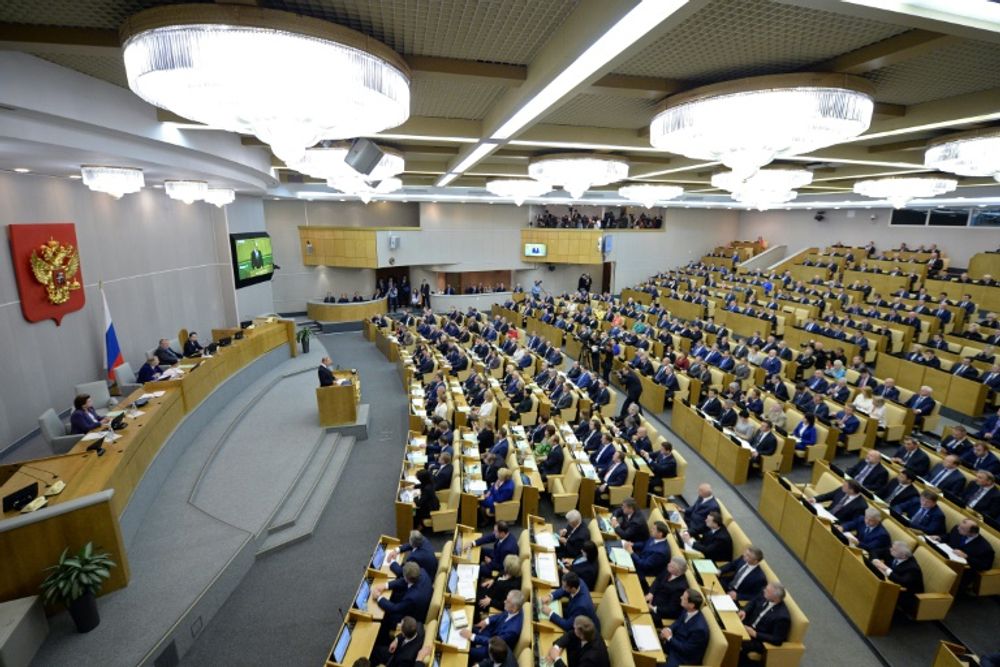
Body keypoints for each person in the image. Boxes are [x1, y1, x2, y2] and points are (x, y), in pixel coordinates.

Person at [461, 590, 524, 663]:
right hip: (493, 632)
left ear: (514, 608)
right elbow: (500, 615)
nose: (504, 602)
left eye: (507, 601)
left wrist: (472, 636)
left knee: (468, 651)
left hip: (494, 649)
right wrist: (486, 621)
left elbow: (494, 643)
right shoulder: (514, 608)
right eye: (506, 599)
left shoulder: (512, 631)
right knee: (469, 628)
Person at [739, 583, 791, 662]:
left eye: (767, 591)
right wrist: (744, 611)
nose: (764, 591)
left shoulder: (782, 617)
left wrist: (755, 634)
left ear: (775, 597)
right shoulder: (764, 595)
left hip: (759, 640)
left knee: (735, 642)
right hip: (748, 625)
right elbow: (753, 602)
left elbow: (777, 639)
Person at [373, 563, 432, 632]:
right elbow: (403, 581)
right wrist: (386, 585)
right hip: (421, 599)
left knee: (387, 616)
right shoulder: (422, 571)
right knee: (395, 594)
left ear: (406, 578)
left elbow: (394, 608)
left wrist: (379, 598)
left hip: (414, 617)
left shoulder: (411, 598)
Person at [661, 589, 709, 667]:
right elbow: (677, 622)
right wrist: (669, 629)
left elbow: (686, 649)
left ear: (692, 605)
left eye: (683, 598)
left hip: (683, 658)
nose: (680, 597)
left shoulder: (700, 629)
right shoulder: (687, 610)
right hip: (675, 644)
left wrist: (669, 637)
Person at [872, 541, 923, 610]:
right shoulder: (893, 551)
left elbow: (901, 581)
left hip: (906, 595)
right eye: (892, 547)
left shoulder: (913, 568)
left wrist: (886, 568)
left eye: (894, 550)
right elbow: (875, 551)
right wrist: (876, 560)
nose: (890, 549)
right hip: (890, 584)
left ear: (903, 556)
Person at [931, 518, 996, 573]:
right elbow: (949, 536)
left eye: (962, 529)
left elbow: (985, 566)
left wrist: (967, 557)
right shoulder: (957, 529)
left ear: (972, 533)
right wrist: (940, 537)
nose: (958, 528)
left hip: (961, 571)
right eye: (959, 526)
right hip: (945, 558)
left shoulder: (985, 548)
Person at [545, 616, 609, 667]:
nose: (573, 628)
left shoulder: (590, 659)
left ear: (581, 635)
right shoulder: (590, 631)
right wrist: (556, 648)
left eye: (574, 628)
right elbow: (570, 634)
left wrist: (556, 658)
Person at [647, 557, 689, 624]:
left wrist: (653, 608)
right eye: (670, 563)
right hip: (651, 598)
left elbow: (671, 610)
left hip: (660, 613)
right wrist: (651, 593)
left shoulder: (680, 588)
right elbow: (657, 580)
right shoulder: (668, 570)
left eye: (671, 566)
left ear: (678, 571)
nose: (668, 565)